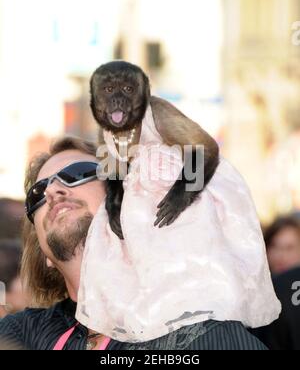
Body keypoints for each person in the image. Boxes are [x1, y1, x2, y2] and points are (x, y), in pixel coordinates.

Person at [0, 136, 269, 350]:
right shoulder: (20, 335)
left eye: (76, 173)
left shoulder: (199, 334)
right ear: (45, 254)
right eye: (37, 193)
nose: (51, 191)